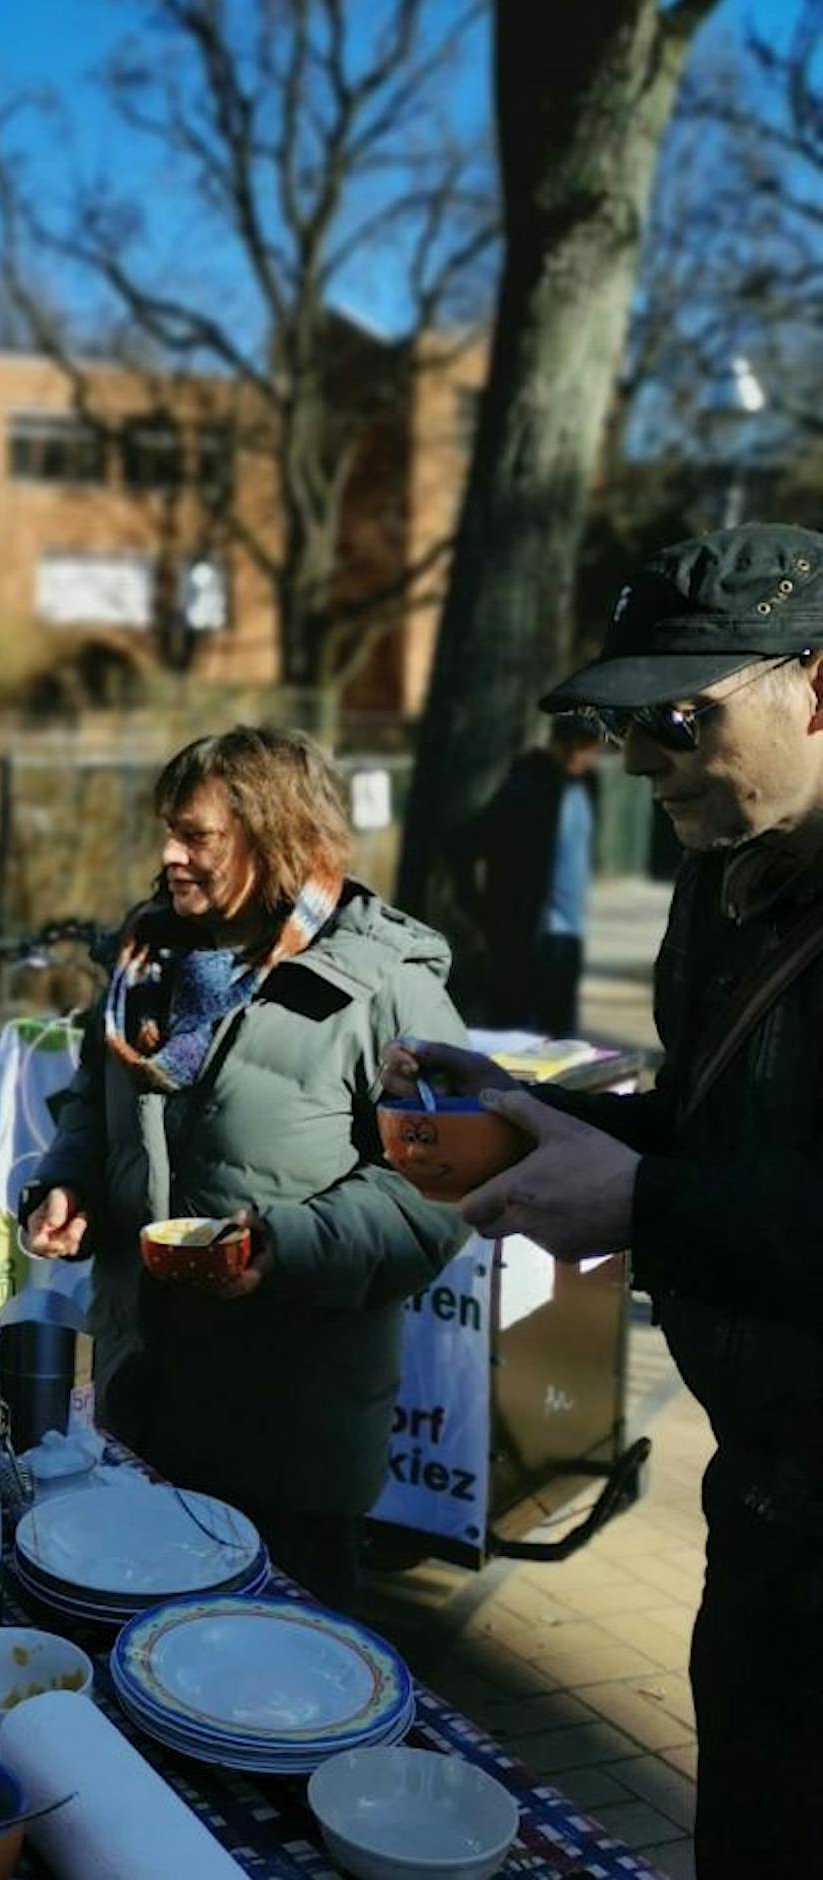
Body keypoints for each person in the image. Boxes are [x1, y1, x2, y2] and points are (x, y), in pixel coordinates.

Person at [384, 522, 823, 1879]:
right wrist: (524, 1114)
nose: (638, 759)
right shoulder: (726, 881)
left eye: (678, 718)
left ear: (816, 689)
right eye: (619, 721)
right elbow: (708, 1138)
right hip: (765, 1507)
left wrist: (641, 1204)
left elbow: (692, 1193)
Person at [21, 726, 471, 1612]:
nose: (169, 856)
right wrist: (70, 1185)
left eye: (196, 837)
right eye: (168, 832)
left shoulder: (385, 986)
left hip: (289, 1437)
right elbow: (90, 1100)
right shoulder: (143, 961)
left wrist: (284, 1246)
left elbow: (441, 1184)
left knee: (282, 1670)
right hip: (142, 1404)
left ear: (279, 838)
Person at [447, 713, 602, 1035]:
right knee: (516, 1033)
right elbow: (464, 844)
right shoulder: (526, 788)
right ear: (555, 745)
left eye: (585, 748)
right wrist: (479, 909)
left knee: (561, 1036)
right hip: (526, 935)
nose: (577, 756)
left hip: (568, 934)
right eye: (570, 746)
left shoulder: (588, 786)